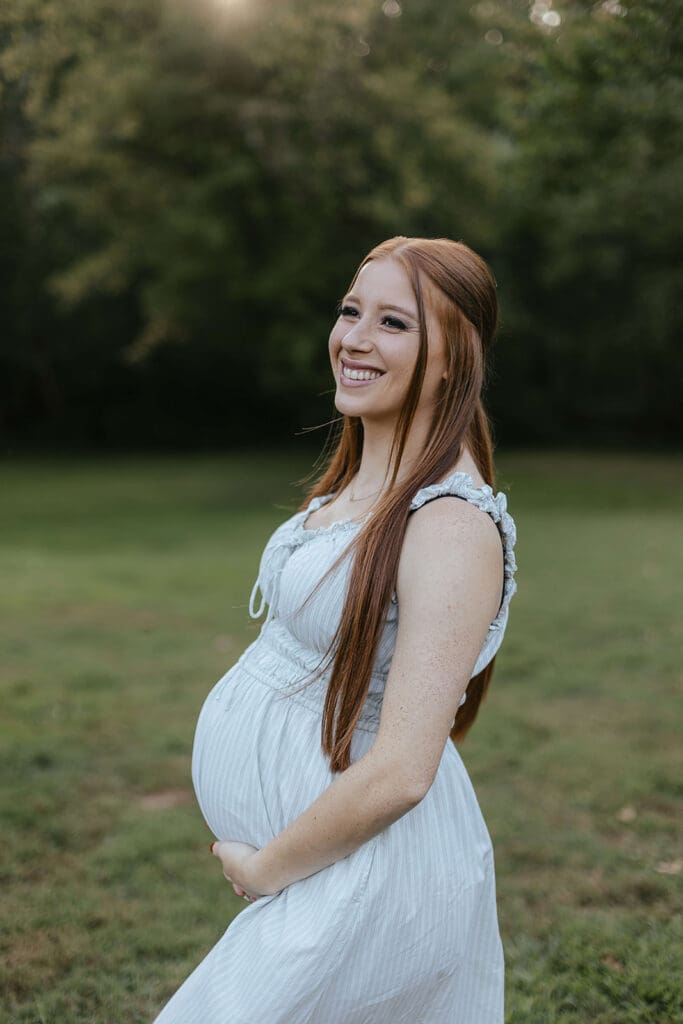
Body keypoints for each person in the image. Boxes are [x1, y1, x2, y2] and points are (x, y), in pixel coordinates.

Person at [152, 235, 519, 1023]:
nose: (353, 338)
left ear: (453, 356)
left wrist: (265, 870)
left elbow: (400, 774)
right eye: (352, 310)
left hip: (368, 876)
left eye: (393, 323)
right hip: (328, 870)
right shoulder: (366, 471)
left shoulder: (450, 523)